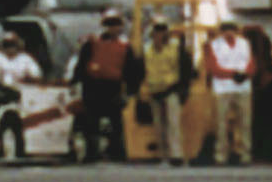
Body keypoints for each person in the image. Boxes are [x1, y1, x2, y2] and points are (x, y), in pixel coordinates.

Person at [70, 12, 138, 161]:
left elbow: (131, 69)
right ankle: (92, 153)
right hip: (92, 86)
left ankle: (116, 152)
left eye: (116, 24)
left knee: (116, 122)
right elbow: (82, 63)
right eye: (110, 24)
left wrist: (131, 90)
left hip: (113, 87)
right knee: (91, 121)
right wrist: (75, 81)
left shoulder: (125, 46)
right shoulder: (92, 43)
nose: (113, 28)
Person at [202, 20, 256, 165]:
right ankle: (221, 155)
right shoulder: (213, 45)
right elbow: (213, 67)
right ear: (221, 32)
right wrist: (233, 74)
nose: (229, 33)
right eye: (225, 30)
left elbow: (251, 63)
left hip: (243, 88)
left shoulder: (244, 44)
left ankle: (244, 154)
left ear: (236, 31)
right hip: (222, 89)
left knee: (245, 123)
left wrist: (246, 74)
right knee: (221, 123)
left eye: (231, 30)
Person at [141, 18, 194, 163]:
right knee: (158, 125)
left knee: (173, 123)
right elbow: (141, 69)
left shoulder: (176, 48)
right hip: (154, 90)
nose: (159, 34)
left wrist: (182, 89)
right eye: (157, 31)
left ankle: (176, 154)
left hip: (172, 89)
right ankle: (163, 154)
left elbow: (186, 69)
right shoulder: (146, 50)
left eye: (162, 31)